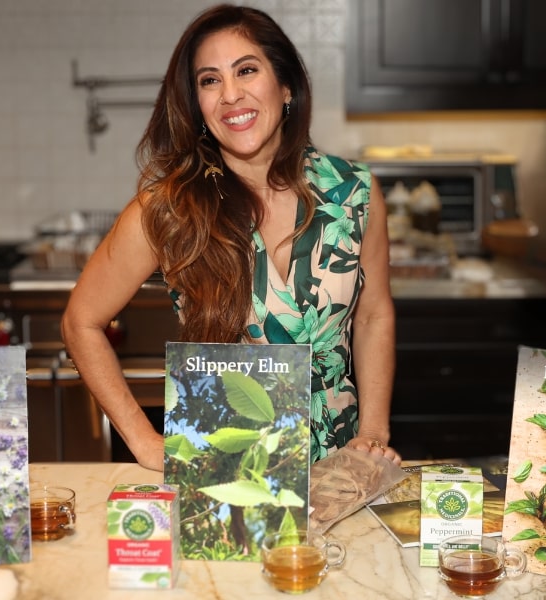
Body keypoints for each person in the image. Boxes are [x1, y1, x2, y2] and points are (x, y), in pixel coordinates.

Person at [61, 4, 400, 471]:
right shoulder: (169, 209)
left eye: (246, 70)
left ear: (285, 87)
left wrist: (373, 434)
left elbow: (373, 315)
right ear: (197, 104)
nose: (231, 95)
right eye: (209, 80)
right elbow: (81, 322)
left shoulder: (355, 194)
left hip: (342, 472)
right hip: (228, 480)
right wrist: (143, 441)